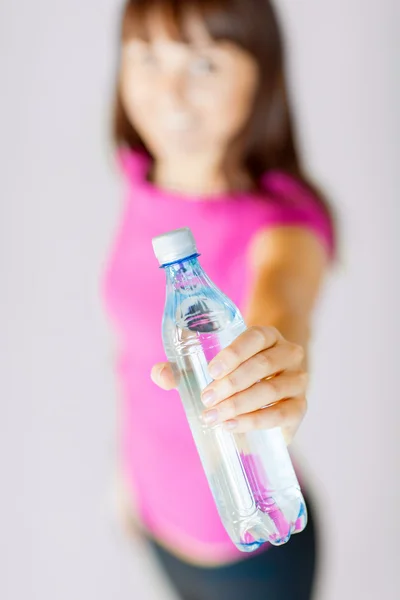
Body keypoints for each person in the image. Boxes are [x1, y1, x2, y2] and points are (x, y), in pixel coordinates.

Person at [103, 1, 336, 598]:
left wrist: (274, 373)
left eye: (205, 64)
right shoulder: (139, 175)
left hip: (249, 556)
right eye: (149, 57)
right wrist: (128, 479)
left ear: (261, 72)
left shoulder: (285, 226)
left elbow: (282, 309)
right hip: (153, 524)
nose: (170, 92)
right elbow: (130, 359)